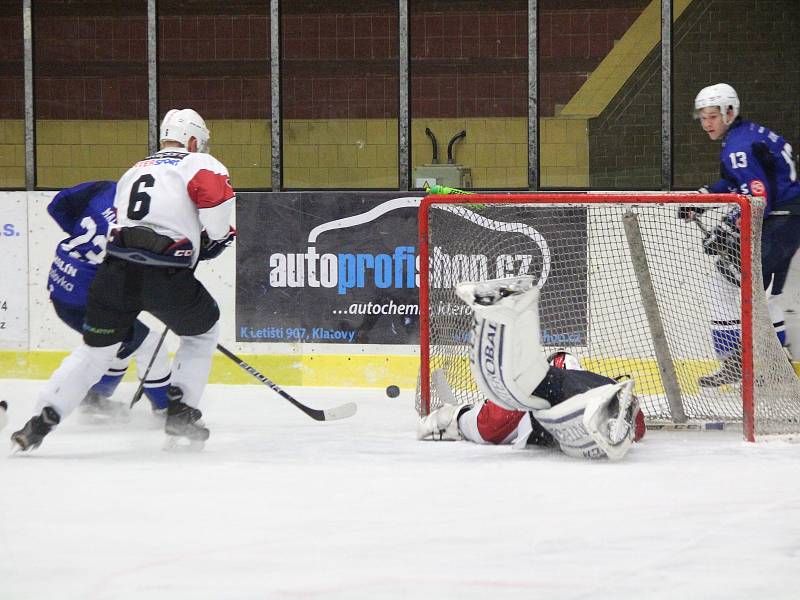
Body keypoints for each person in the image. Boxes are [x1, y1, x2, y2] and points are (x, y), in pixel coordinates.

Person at [11, 108, 236, 451]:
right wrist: (216, 238)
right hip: (165, 275)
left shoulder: (134, 170)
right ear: (192, 140)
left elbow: (130, 222)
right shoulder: (198, 163)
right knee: (201, 333)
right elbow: (216, 208)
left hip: (114, 274)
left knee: (93, 354)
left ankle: (39, 423)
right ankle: (180, 411)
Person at [417, 276, 645, 460]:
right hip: (549, 406)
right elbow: (637, 422)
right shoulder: (592, 380)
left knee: (494, 421)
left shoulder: (582, 379)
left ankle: (452, 419)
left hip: (548, 403)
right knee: (495, 420)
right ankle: (452, 418)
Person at [682, 83, 800, 386]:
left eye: (712, 116)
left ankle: (735, 362)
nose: (707, 123)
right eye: (703, 117)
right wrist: (704, 198)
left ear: (729, 112)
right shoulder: (747, 135)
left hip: (779, 222)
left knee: (720, 283)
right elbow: (738, 184)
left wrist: (727, 225)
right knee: (767, 296)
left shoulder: (738, 146)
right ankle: (779, 364)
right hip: (789, 221)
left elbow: (758, 198)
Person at [45, 180, 171, 418]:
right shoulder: (141, 226)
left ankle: (95, 401)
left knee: (120, 343)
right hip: (86, 299)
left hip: (61, 281)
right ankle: (168, 411)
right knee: (149, 343)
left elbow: (58, 205)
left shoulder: (109, 189)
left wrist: (82, 240)